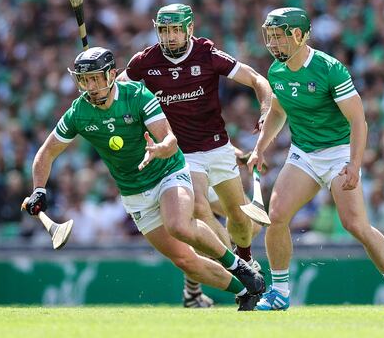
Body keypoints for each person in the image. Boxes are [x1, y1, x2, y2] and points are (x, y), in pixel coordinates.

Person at [23, 47, 265, 310]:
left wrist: (162, 149)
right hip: (134, 192)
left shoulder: (137, 96)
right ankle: (245, 291)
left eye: (95, 78)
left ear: (112, 75)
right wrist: (39, 190)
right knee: (186, 261)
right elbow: (46, 153)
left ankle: (237, 265)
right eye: (85, 80)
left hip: (167, 172)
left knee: (179, 226)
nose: (90, 86)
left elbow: (170, 141)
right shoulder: (79, 112)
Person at [247, 7, 384, 312]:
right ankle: (280, 292)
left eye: (278, 37)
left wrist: (354, 164)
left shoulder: (330, 69)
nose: (272, 44)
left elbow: (358, 121)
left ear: (298, 35)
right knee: (277, 217)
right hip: (303, 154)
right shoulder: (276, 71)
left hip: (339, 152)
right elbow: (277, 112)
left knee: (356, 225)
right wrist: (260, 148)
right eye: (269, 37)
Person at [121, 3, 271, 307]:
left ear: (190, 28)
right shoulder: (144, 62)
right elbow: (116, 90)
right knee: (199, 210)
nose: (171, 36)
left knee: (240, 221)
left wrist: (266, 108)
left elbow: (256, 78)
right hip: (180, 154)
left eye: (177, 29)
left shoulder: (207, 54)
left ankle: (242, 259)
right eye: (165, 30)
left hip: (217, 147)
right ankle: (239, 271)